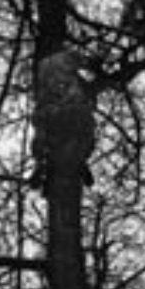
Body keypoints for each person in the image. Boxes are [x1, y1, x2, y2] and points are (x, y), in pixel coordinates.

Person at [30, 48, 96, 196]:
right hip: (58, 120)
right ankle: (45, 166)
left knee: (83, 128)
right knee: (44, 135)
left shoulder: (72, 79)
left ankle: (78, 161)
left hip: (69, 120)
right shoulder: (54, 73)